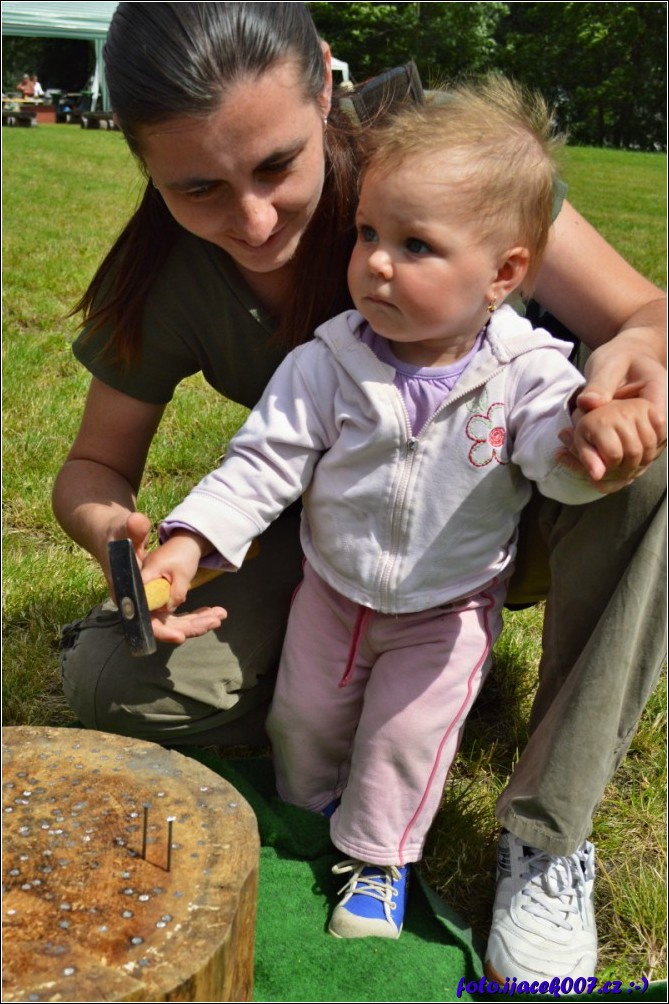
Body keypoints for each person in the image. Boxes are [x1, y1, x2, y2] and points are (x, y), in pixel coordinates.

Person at [52, 1, 665, 983]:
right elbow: (93, 465)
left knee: (659, 463)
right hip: (332, 536)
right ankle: (344, 725)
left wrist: (630, 364)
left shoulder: (449, 159)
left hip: (508, 502)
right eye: (198, 186)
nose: (253, 221)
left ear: (326, 80)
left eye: (277, 166)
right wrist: (129, 541)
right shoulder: (170, 275)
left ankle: (547, 831)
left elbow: (643, 308)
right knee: (113, 683)